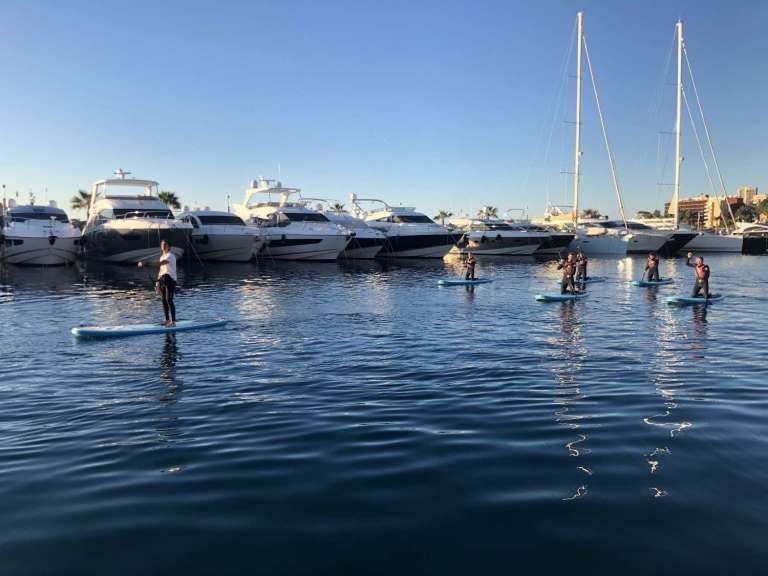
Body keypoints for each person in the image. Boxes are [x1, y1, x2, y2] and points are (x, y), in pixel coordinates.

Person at [138, 240, 178, 326]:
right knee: (163, 300)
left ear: (168, 246)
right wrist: (157, 281)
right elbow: (161, 270)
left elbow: (160, 264)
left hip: (170, 279)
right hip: (163, 279)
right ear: (161, 247)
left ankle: (173, 321)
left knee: (169, 300)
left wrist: (145, 263)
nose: (163, 246)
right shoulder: (162, 256)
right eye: (162, 245)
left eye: (165, 244)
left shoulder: (170, 256)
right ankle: (167, 320)